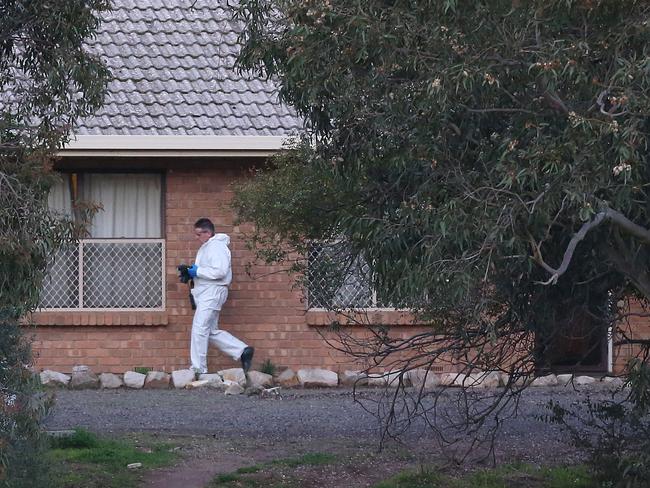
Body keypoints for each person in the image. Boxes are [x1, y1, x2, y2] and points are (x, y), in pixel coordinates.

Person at [186, 218, 254, 374]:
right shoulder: (207, 247)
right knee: (210, 330)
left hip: (213, 292)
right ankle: (242, 351)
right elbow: (209, 270)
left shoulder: (216, 246)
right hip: (208, 292)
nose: (197, 238)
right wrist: (191, 274)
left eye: (198, 234)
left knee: (199, 328)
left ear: (208, 233)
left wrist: (197, 272)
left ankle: (198, 369)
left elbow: (220, 271)